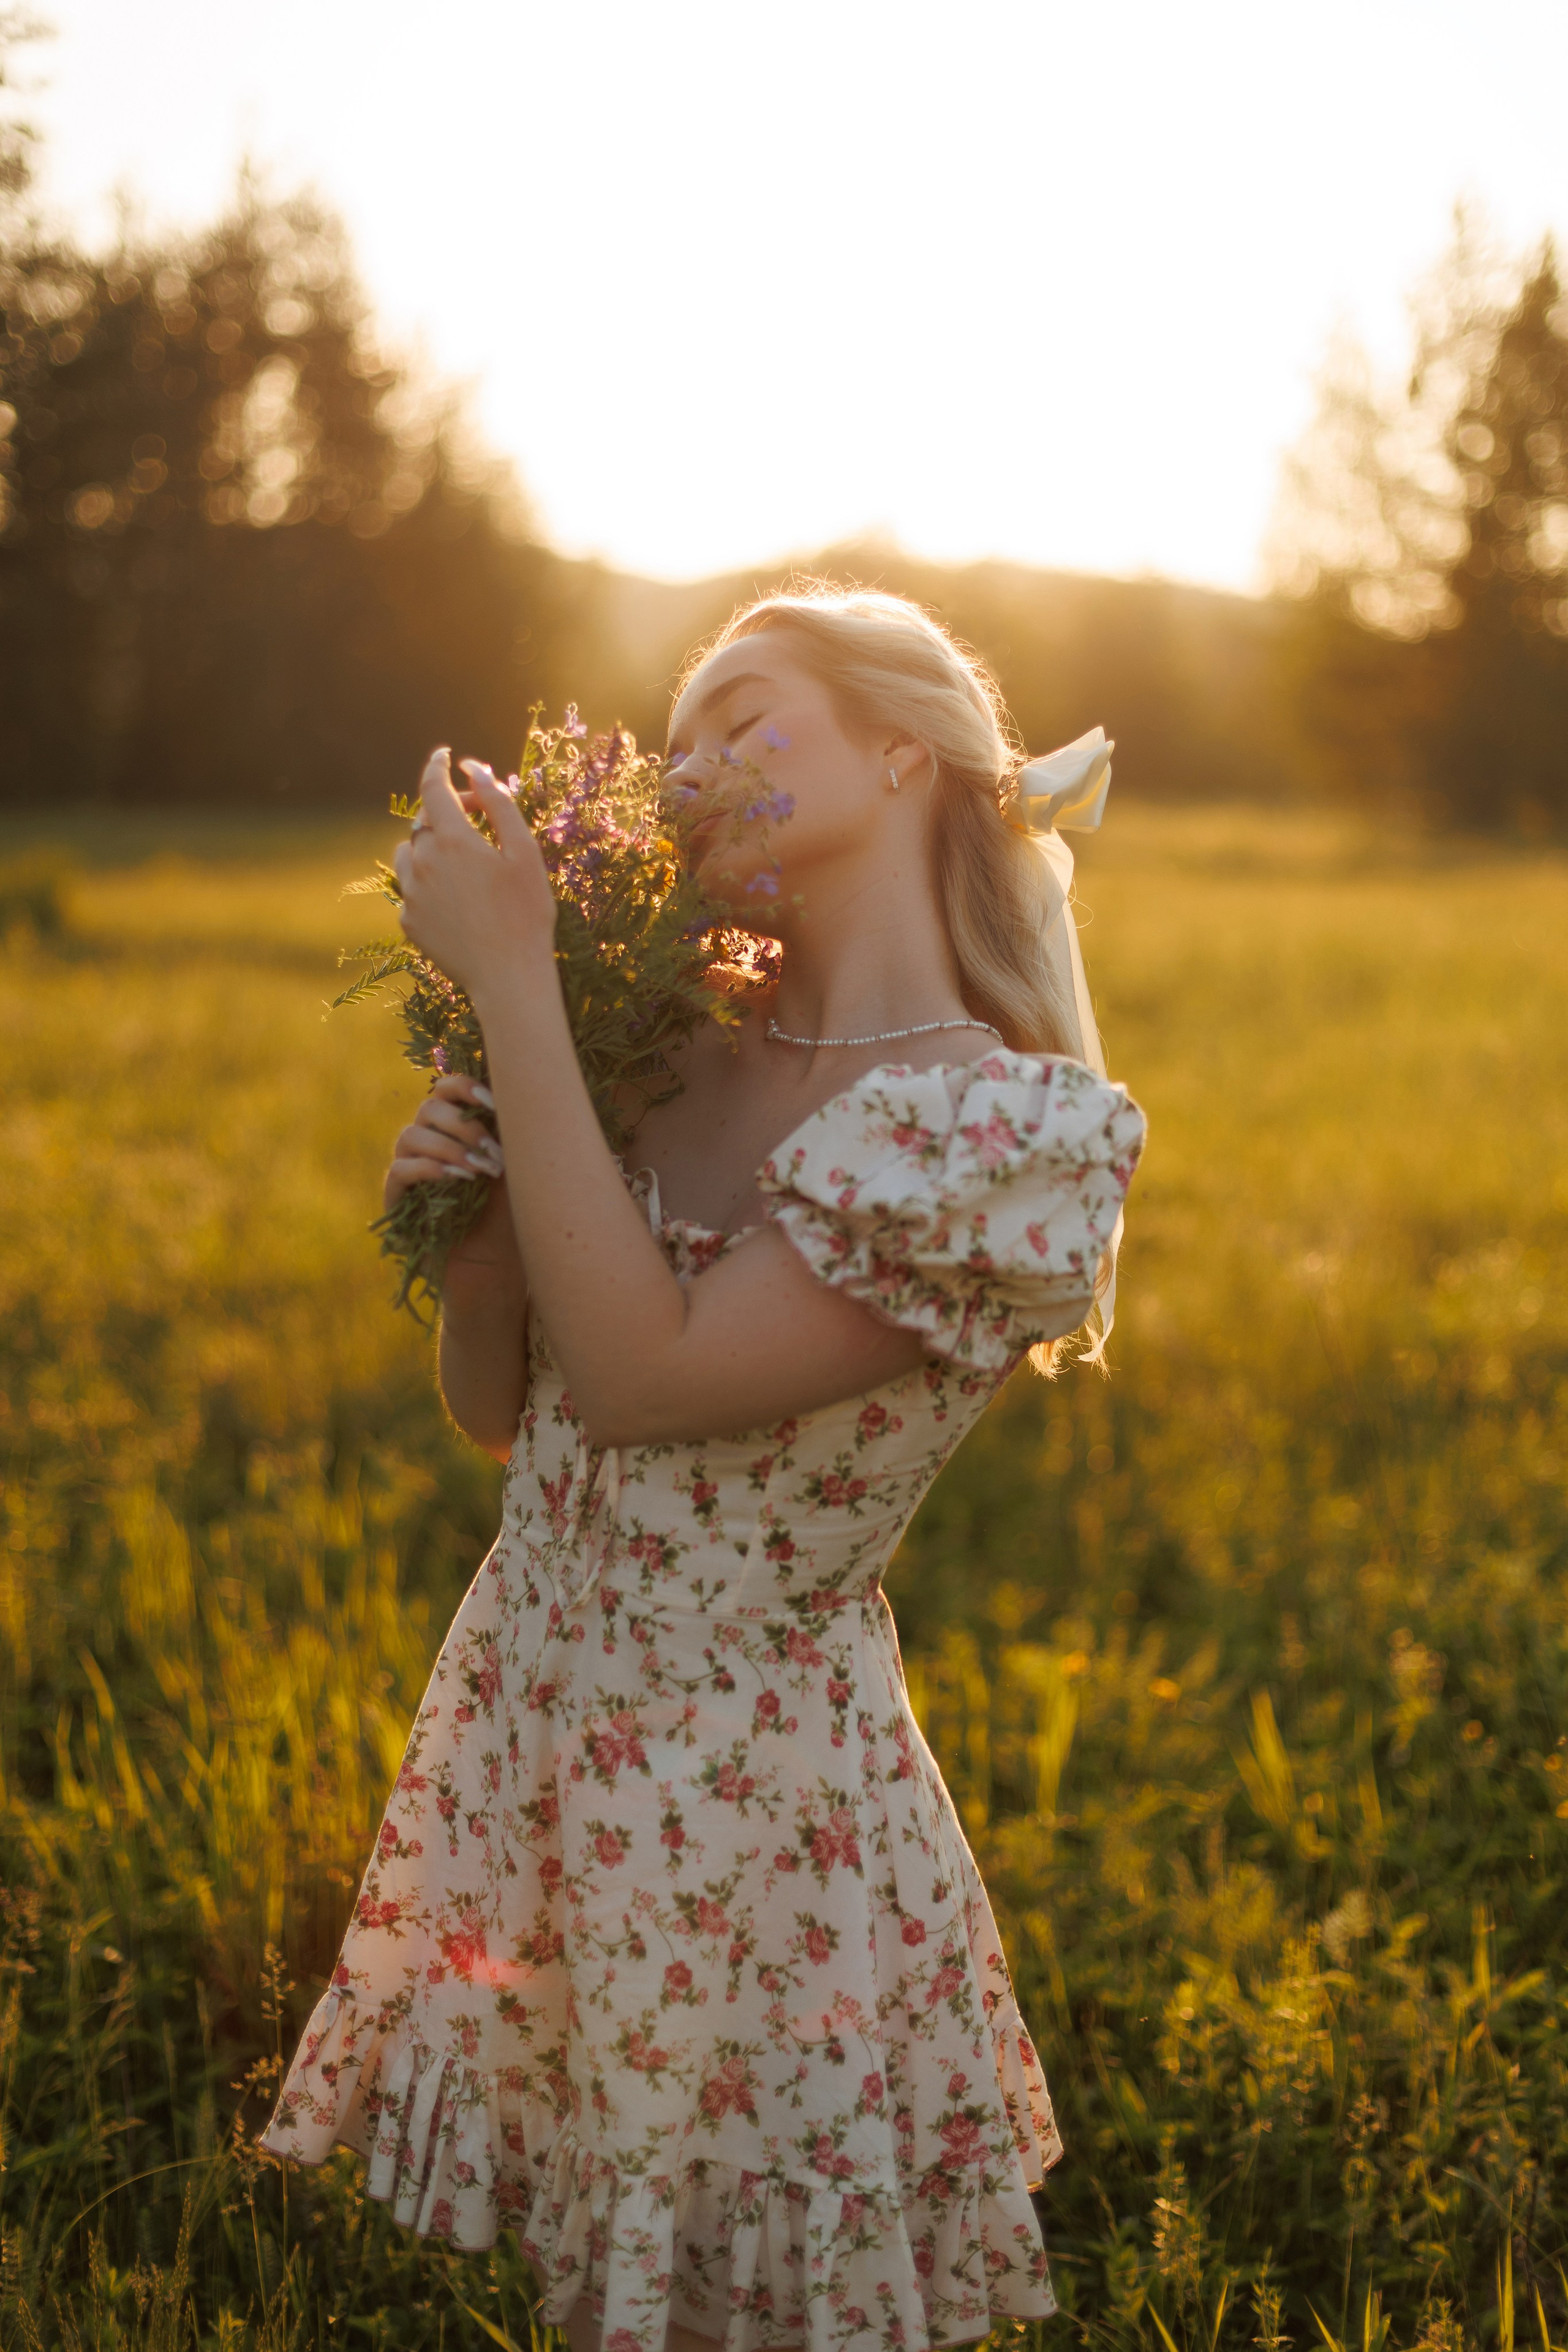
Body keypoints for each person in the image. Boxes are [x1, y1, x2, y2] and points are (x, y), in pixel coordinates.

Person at [263, 589, 1146, 2352]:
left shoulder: (986, 1124)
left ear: (904, 747)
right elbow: (510, 1409)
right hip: (545, 1714)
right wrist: (486, 1217)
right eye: (674, 746)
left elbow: (656, 1383)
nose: (690, 772)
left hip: (746, 1795)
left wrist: (512, 976)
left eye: (750, 721)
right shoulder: (663, 1051)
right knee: (605, 2251)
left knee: (728, 2279)